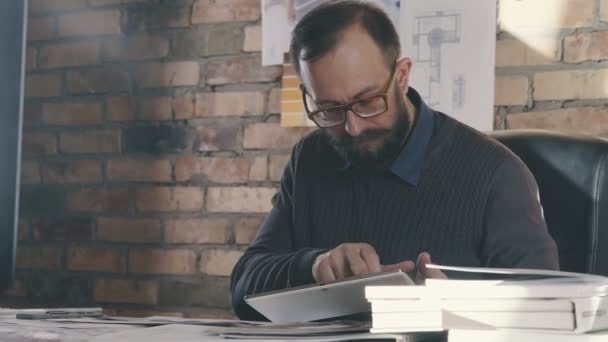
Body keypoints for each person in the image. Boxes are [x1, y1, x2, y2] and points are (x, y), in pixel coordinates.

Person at [230, 0, 559, 320]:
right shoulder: (311, 158)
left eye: (368, 101)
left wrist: (459, 308)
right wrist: (315, 266)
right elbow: (244, 287)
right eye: (329, 110)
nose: (353, 127)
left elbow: (549, 314)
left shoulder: (495, 174)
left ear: (402, 76)